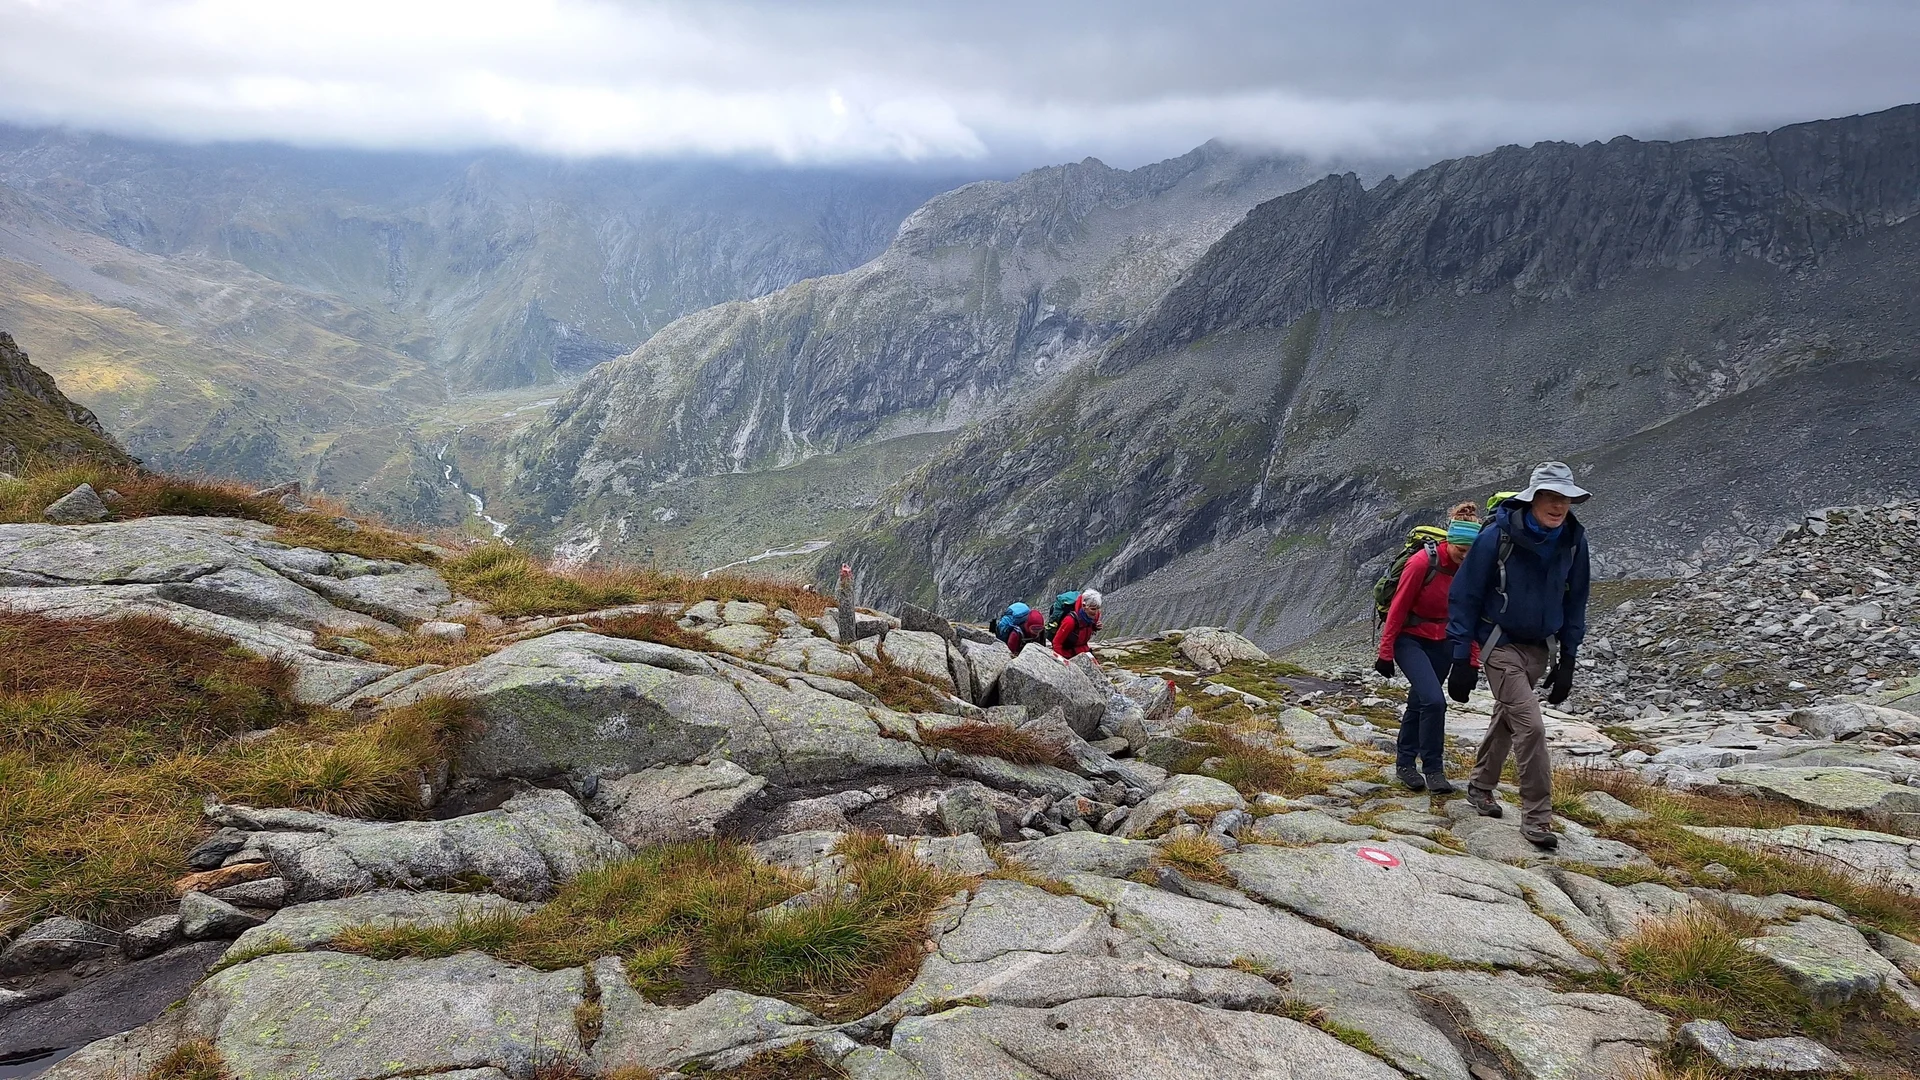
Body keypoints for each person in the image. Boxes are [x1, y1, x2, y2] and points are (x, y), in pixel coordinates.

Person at [1445, 462, 1592, 850]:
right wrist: (1463, 657)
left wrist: (1568, 660)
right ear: (1533, 499)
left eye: (1566, 499)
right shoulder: (1497, 536)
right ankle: (1537, 818)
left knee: (1508, 719)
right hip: (1499, 642)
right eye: (1551, 497)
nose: (1559, 506)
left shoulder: (1574, 540)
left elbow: (1576, 600)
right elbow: (1465, 595)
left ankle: (1479, 786)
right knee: (1532, 726)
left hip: (1539, 648)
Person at [1376, 515, 1481, 793]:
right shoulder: (1422, 562)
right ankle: (1433, 769)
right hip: (1409, 639)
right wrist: (1385, 652)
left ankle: (1405, 764)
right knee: (1434, 701)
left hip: (1444, 641)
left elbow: (1472, 616)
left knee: (1420, 701)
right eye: (1461, 549)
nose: (1466, 556)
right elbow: (1397, 608)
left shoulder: (1472, 569)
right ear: (1450, 542)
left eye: (1472, 550)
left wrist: (1471, 661)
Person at [1051, 588, 1103, 660]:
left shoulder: (1094, 616)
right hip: (1067, 654)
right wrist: (1061, 661)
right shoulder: (1070, 621)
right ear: (1084, 606)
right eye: (1093, 609)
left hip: (1084, 651)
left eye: (1098, 608)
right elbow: (1056, 643)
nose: (1096, 612)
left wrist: (1095, 627)